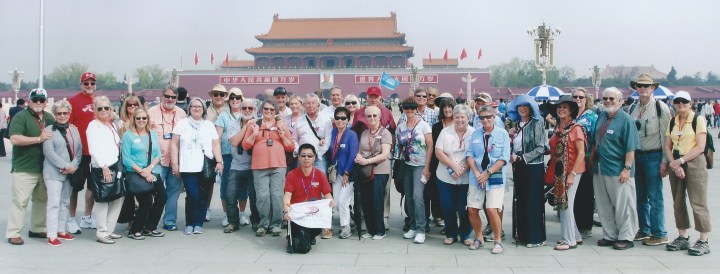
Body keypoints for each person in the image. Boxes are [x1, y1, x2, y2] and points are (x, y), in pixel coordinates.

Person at [590, 87, 641, 250]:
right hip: (601, 168)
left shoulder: (626, 120)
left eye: (612, 99)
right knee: (604, 204)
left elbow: (631, 147)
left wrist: (627, 168)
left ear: (620, 101)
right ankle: (610, 235)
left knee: (623, 205)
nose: (608, 102)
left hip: (618, 169)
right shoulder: (602, 117)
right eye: (605, 99)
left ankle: (626, 236)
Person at [663, 91, 712, 256]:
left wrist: (681, 161)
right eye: (677, 102)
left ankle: (703, 240)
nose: (681, 105)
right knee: (678, 201)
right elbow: (667, 147)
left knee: (697, 202)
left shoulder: (697, 119)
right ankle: (682, 236)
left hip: (694, 162)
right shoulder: (672, 121)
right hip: (676, 162)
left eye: (684, 102)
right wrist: (674, 164)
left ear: (690, 104)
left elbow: (700, 147)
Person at [628, 74, 672, 246]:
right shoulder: (633, 107)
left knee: (655, 197)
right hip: (637, 156)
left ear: (653, 88)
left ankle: (660, 232)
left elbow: (665, 137)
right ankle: (644, 229)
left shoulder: (660, 108)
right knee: (640, 196)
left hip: (654, 155)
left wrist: (664, 161)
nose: (642, 89)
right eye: (639, 86)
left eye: (646, 86)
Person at [6, 89, 54, 245]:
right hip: (24, 168)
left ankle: (37, 228)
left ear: (46, 101)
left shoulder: (49, 117)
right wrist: (38, 139)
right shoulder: (21, 116)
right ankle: (14, 232)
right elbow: (14, 138)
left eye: (41, 99)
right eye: (35, 100)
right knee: (20, 201)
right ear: (29, 101)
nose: (38, 102)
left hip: (45, 167)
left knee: (41, 199)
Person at [241, 99, 295, 237]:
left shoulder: (282, 126)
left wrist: (282, 136)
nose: (269, 112)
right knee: (262, 197)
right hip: (259, 166)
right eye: (266, 109)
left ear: (276, 112)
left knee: (277, 196)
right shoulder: (254, 124)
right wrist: (254, 134)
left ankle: (276, 224)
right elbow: (245, 145)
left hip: (278, 165)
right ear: (262, 110)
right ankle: (263, 224)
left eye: (272, 110)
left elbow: (291, 147)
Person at [169, 97, 222, 235]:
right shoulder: (182, 124)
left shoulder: (208, 125)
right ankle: (189, 223)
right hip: (187, 166)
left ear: (203, 109)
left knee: (203, 195)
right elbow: (174, 144)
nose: (197, 108)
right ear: (189, 109)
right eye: (194, 106)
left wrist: (219, 161)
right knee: (192, 195)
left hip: (205, 166)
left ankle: (198, 223)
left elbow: (215, 144)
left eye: (199, 106)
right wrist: (175, 163)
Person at [466, 105, 510, 253]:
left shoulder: (502, 134)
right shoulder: (476, 133)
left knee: (492, 209)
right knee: (472, 209)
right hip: (477, 176)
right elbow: (470, 154)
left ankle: (498, 240)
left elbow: (504, 158)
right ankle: (479, 237)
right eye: (482, 117)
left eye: (488, 117)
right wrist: (478, 173)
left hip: (494, 175)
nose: (485, 120)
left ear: (494, 118)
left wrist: (488, 173)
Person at [351, 86, 396, 229]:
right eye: (371, 96)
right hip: (364, 156)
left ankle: (384, 217)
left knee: (384, 190)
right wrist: (357, 154)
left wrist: (390, 149)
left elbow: (392, 131)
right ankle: (365, 218)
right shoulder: (359, 113)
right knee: (365, 191)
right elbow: (354, 133)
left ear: (380, 98)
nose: (373, 99)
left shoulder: (386, 112)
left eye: (376, 97)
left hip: (381, 156)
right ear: (367, 97)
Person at [546, 95, 586, 250]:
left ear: (571, 111)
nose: (561, 110)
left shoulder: (576, 128)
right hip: (559, 172)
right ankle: (574, 235)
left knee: (565, 204)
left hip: (571, 171)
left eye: (565, 107)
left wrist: (572, 174)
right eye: (559, 107)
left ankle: (569, 240)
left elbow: (581, 153)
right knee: (563, 203)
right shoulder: (559, 128)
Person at [506, 95, 547, 248]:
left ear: (531, 108)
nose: (522, 108)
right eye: (519, 106)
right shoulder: (516, 125)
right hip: (519, 168)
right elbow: (513, 145)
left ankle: (535, 237)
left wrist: (522, 158)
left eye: (525, 106)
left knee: (532, 202)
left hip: (533, 167)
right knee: (520, 200)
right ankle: (521, 235)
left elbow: (541, 147)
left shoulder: (537, 123)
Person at [121, 108, 166, 240]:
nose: (141, 120)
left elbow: (158, 155)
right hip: (136, 173)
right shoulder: (128, 135)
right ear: (134, 119)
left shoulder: (152, 134)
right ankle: (135, 229)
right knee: (146, 201)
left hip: (153, 171)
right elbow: (126, 159)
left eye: (144, 118)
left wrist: (150, 168)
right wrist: (143, 172)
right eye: (138, 118)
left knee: (162, 197)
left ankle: (150, 227)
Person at [42, 100, 82, 246]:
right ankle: (52, 234)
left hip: (70, 172)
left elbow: (78, 151)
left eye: (65, 113)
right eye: (59, 113)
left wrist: (73, 165)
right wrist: (65, 165)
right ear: (55, 114)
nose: (62, 116)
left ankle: (61, 230)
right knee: (54, 203)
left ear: (69, 113)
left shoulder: (74, 130)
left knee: (65, 202)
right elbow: (49, 153)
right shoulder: (48, 131)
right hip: (53, 172)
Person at [283, 143, 335, 253]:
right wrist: (286, 212)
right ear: (299, 157)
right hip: (296, 214)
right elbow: (287, 196)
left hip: (313, 215)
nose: (306, 158)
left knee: (304, 247)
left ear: (314, 158)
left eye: (309, 156)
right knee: (296, 244)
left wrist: (331, 203)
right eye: (303, 155)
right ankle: (295, 235)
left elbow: (327, 195)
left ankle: (309, 235)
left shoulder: (320, 175)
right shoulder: (292, 174)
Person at [86, 96, 125, 244]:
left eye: (106, 108)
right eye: (100, 108)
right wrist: (104, 167)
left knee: (118, 197)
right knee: (103, 199)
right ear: (95, 110)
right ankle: (101, 232)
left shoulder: (112, 125)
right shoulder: (93, 126)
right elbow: (93, 148)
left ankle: (109, 229)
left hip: (115, 165)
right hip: (103, 167)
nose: (103, 111)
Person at [148, 86, 187, 231]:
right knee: (153, 191)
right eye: (167, 96)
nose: (170, 99)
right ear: (161, 95)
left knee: (174, 192)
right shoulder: (151, 112)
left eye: (173, 97)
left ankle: (169, 221)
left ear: (177, 99)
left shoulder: (182, 113)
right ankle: (150, 221)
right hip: (157, 160)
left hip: (176, 160)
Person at [395, 97, 433, 244]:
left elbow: (430, 146)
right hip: (406, 165)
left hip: (420, 165)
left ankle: (421, 229)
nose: (409, 111)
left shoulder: (424, 126)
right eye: (406, 108)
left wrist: (427, 167)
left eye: (412, 108)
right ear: (403, 110)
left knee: (418, 197)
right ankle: (412, 226)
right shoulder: (401, 126)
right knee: (409, 197)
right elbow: (399, 147)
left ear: (416, 109)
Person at [434, 104, 473, 245]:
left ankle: (465, 234)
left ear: (468, 118)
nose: (460, 120)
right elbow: (438, 152)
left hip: (466, 177)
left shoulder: (474, 132)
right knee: (448, 206)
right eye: (457, 117)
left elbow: (475, 154)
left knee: (465, 208)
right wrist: (453, 166)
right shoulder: (445, 132)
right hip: (445, 176)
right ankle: (451, 233)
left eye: (463, 117)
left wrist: (462, 168)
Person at [67, 72, 99, 233]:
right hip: (79, 152)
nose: (89, 86)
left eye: (92, 83)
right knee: (75, 187)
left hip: (95, 153)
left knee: (92, 187)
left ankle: (87, 216)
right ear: (81, 84)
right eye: (86, 83)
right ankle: (71, 219)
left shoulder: (100, 102)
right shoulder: (72, 102)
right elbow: (68, 127)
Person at [355, 106, 393, 240]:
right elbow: (360, 151)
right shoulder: (364, 133)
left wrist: (368, 160)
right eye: (369, 116)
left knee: (377, 200)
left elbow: (384, 154)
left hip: (379, 170)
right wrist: (358, 158)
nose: (371, 118)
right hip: (365, 171)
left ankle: (379, 230)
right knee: (366, 200)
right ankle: (370, 229)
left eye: (374, 116)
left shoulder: (385, 133)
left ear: (379, 117)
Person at [226, 99, 259, 233]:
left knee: (254, 196)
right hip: (236, 165)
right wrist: (246, 127)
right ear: (240, 109)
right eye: (244, 108)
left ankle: (256, 222)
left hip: (254, 165)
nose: (247, 110)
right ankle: (233, 222)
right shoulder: (233, 124)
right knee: (230, 194)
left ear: (254, 111)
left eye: (250, 109)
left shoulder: (260, 124)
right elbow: (234, 141)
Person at [326, 107, 358, 239]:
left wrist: (347, 173)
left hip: (347, 174)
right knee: (337, 203)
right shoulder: (333, 132)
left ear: (348, 120)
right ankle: (350, 220)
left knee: (343, 201)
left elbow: (353, 155)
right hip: (336, 172)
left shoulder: (352, 135)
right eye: (337, 118)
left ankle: (345, 227)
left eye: (343, 118)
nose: (340, 120)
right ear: (334, 119)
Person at [571, 88, 599, 239]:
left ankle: (585, 225)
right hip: (571, 160)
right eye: (574, 96)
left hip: (586, 158)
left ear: (586, 99)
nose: (577, 99)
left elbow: (595, 139)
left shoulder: (592, 116)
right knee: (574, 194)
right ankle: (574, 223)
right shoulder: (570, 115)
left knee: (586, 193)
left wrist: (592, 157)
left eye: (580, 97)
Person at [215, 87, 244, 227]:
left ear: (241, 100)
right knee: (226, 185)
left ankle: (243, 214)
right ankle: (227, 214)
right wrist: (218, 159)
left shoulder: (246, 114)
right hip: (227, 155)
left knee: (243, 186)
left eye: (237, 98)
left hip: (243, 155)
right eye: (232, 98)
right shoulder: (223, 116)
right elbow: (218, 138)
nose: (234, 100)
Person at [427, 93, 456, 232]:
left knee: (453, 193)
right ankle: (442, 218)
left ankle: (452, 221)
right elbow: (433, 146)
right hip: (437, 163)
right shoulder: (437, 126)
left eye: (450, 107)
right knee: (439, 193)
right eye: (444, 107)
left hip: (454, 163)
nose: (447, 110)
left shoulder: (459, 124)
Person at [116, 95, 143, 225]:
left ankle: (140, 217)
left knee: (143, 191)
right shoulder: (120, 123)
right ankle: (130, 218)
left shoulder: (143, 120)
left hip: (141, 160)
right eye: (129, 104)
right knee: (129, 192)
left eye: (135, 104)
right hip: (125, 161)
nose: (132, 107)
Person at [204, 84, 228, 222]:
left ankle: (228, 212)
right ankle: (206, 208)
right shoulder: (205, 110)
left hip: (226, 150)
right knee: (208, 182)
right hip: (209, 151)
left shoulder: (230, 110)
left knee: (227, 183)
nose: (218, 97)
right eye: (215, 94)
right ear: (211, 96)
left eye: (221, 95)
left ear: (225, 97)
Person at [292, 94, 332, 174]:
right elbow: (294, 139)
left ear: (318, 105)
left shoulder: (326, 120)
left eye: (313, 103)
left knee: (319, 182)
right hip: (302, 157)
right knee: (301, 182)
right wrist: (298, 150)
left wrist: (317, 154)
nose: (311, 105)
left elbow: (328, 140)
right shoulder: (299, 120)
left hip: (319, 157)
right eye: (308, 103)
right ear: (304, 105)